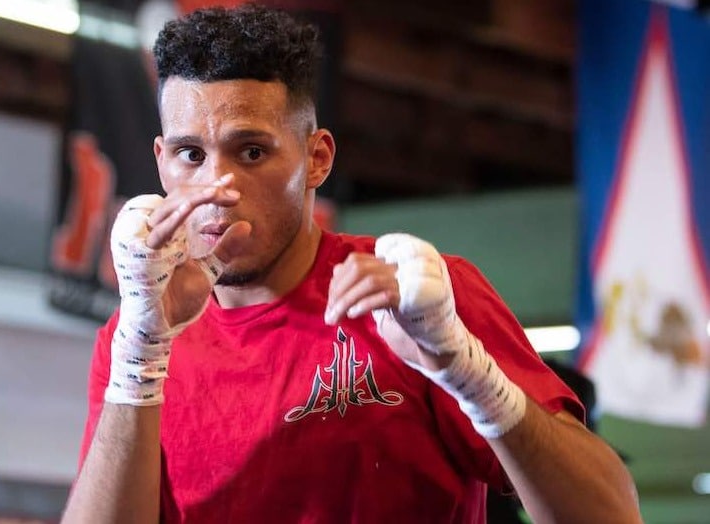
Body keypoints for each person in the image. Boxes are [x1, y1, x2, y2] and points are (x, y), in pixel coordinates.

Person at [62, 5, 641, 523]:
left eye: (253, 151)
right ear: (162, 163)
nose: (218, 186)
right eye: (192, 154)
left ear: (316, 160)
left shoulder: (417, 297)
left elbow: (610, 515)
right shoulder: (135, 337)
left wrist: (467, 371)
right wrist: (140, 349)